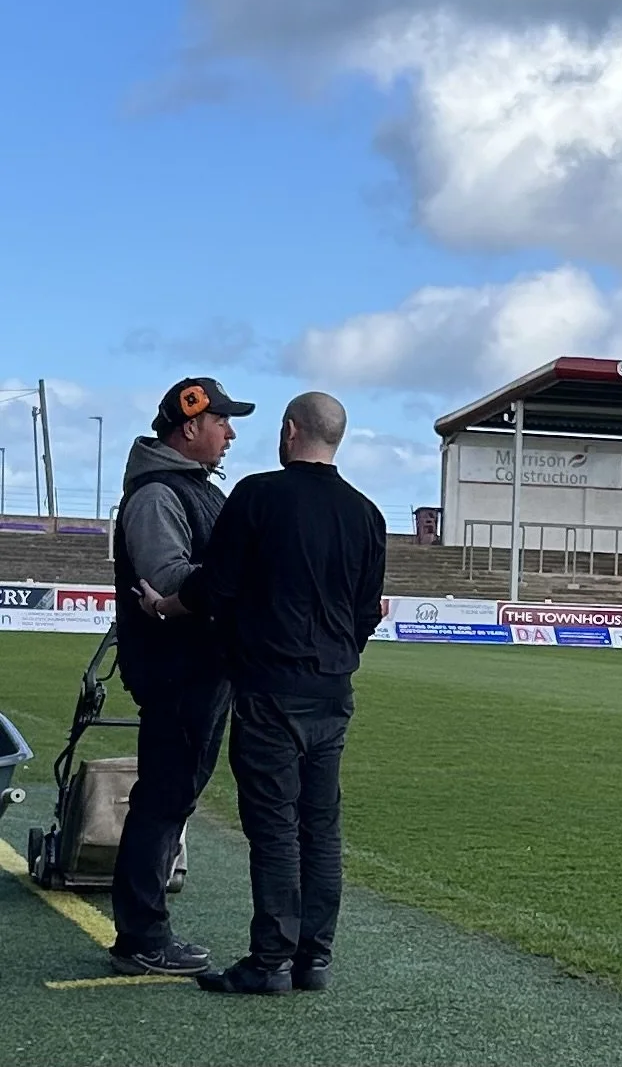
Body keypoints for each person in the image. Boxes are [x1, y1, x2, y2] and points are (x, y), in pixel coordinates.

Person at [140, 390, 386, 995]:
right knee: (320, 826)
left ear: (289, 430)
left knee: (274, 827)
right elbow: (365, 612)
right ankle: (314, 959)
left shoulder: (257, 495)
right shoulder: (368, 514)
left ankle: (269, 961)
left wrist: (164, 605)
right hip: (333, 691)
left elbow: (215, 589)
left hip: (270, 689)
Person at [109, 374, 256, 977]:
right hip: (177, 669)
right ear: (190, 425)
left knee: (173, 795)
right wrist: (242, 585)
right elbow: (169, 577)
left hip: (194, 666)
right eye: (222, 420)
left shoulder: (188, 489)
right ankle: (142, 935)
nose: (230, 432)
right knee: (165, 797)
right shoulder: (159, 495)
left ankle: (144, 930)